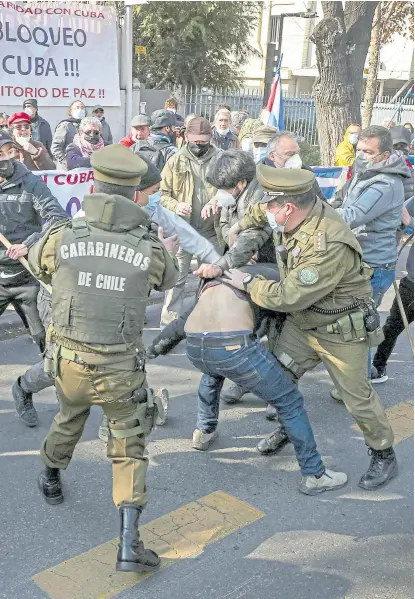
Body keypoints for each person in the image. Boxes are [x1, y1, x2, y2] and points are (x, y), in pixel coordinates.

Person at [195, 166, 398, 491]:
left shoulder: (326, 242)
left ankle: (383, 454)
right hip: (304, 323)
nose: (267, 210)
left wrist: (246, 281)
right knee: (277, 377)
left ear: (288, 207)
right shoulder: (288, 209)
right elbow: (257, 214)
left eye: (272, 206)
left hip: (338, 329)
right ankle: (290, 429)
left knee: (357, 399)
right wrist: (227, 253)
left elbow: (288, 296)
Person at [28, 145, 180, 573]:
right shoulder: (147, 246)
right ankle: (129, 544)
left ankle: (52, 478)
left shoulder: (64, 236)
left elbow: (41, 269)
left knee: (68, 418)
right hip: (119, 369)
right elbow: (170, 278)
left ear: (93, 186)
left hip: (69, 361)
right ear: (134, 195)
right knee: (128, 444)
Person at [146, 263, 349, 496]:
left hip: (195, 347)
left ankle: (204, 432)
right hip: (234, 347)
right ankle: (315, 475)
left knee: (213, 372)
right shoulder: (276, 279)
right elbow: (283, 328)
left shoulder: (221, 272)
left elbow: (181, 322)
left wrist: (154, 349)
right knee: (290, 401)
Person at [0, 130, 67, 381]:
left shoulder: (30, 182)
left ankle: (32, 390)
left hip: (27, 275)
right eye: (0, 154)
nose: (6, 158)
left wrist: (27, 245)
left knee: (45, 340)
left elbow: (58, 218)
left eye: (11, 152)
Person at [335, 126, 410, 310]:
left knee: (358, 327)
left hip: (373, 266)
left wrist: (311, 213)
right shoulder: (364, 172)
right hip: (357, 258)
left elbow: (353, 215)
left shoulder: (386, 183)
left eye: (368, 152)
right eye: (358, 150)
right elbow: (341, 201)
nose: (361, 155)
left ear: (385, 155)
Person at [159, 116, 223, 327]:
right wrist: (176, 206)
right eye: (195, 142)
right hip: (182, 230)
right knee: (176, 278)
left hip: (212, 230)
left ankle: (205, 321)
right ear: (186, 137)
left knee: (211, 278)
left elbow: (231, 188)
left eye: (203, 143)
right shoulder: (175, 160)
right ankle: (170, 322)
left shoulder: (221, 159)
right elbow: (160, 194)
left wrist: (216, 200)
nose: (199, 146)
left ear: (211, 138)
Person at [371, 197, 414, 383]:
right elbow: (398, 220)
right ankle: (377, 367)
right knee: (392, 326)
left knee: (391, 326)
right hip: (412, 284)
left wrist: (411, 222)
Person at [265, 131, 325, 200]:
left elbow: (323, 204)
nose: (295, 158)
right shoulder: (262, 176)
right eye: (290, 154)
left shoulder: (306, 172)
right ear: (272, 156)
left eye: (297, 153)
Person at [51, 100, 86, 169]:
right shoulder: (65, 126)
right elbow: (55, 148)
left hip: (82, 167)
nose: (80, 110)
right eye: (77, 108)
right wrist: (66, 162)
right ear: (71, 111)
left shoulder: (86, 125)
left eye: (82, 108)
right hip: (66, 169)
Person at [390, 126, 414, 200]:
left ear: (410, 148)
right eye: (395, 146)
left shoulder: (410, 166)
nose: (399, 149)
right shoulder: (385, 169)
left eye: (402, 146)